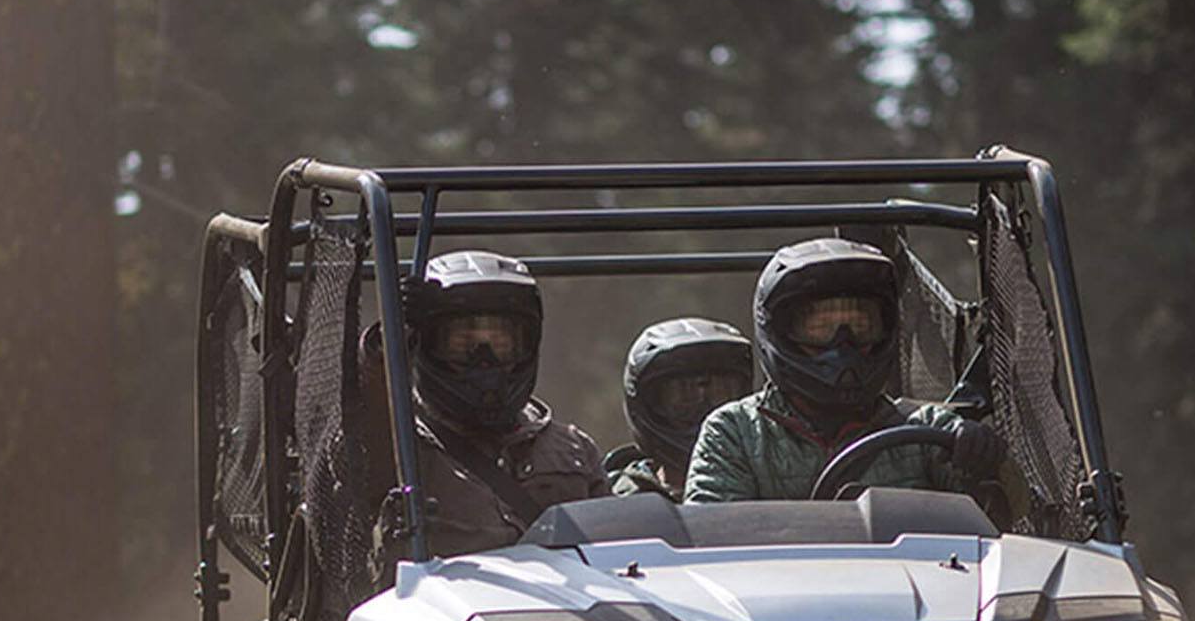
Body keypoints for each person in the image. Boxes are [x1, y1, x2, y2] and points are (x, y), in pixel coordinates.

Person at [683, 238, 1015, 507]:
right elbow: (713, 545)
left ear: (884, 330)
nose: (844, 346)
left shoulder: (927, 429)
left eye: (860, 326)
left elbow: (1001, 523)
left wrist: (985, 466)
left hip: (905, 588)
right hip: (771, 589)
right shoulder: (734, 433)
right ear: (779, 331)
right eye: (821, 328)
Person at [356, 249, 606, 557]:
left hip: (562, 604)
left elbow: (618, 552)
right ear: (423, 346)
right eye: (463, 343)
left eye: (501, 343)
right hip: (441, 602)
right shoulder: (398, 445)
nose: (484, 360)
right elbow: (356, 436)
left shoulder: (573, 448)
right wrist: (390, 339)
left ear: (527, 344)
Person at [604, 318, 754, 500]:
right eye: (685, 396)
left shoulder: (768, 484)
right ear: (647, 406)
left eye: (720, 393)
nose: (707, 414)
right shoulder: (614, 498)